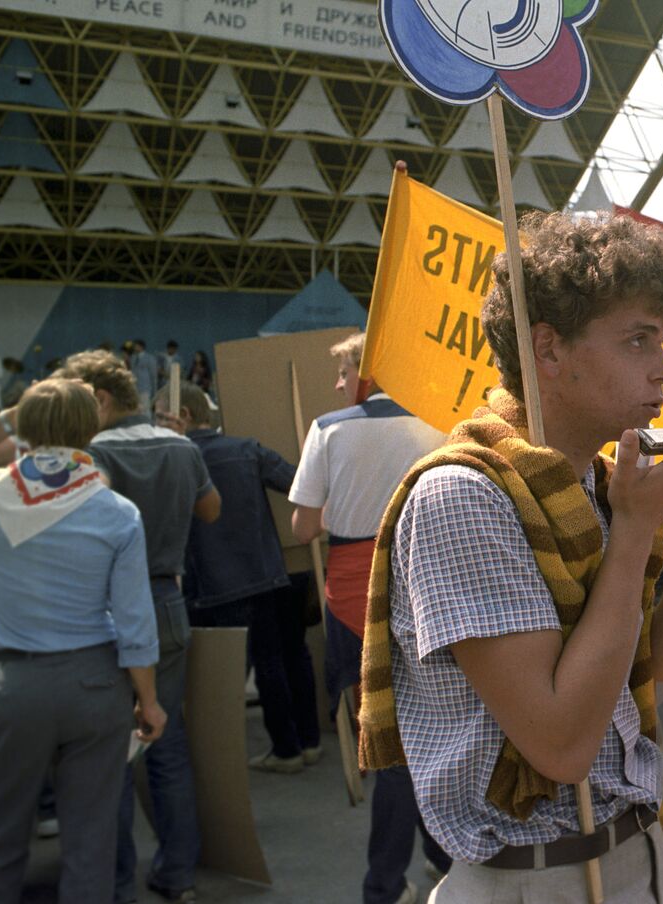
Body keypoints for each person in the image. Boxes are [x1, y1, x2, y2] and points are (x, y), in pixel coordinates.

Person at [358, 210, 663, 902]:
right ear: (547, 348)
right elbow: (564, 746)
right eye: (639, 340)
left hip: (634, 858)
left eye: (661, 341)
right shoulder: (465, 496)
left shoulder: (594, 487)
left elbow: (642, 680)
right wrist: (635, 529)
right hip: (532, 881)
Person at [0, 380, 166, 903]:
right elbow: (135, 623)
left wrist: (15, 414)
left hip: (19, 685)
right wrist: (149, 701)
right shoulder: (116, 511)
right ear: (90, 428)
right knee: (90, 847)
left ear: (24, 426)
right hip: (96, 685)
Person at [288, 332, 449, 903]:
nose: (337, 384)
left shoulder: (329, 429)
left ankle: (384, 884)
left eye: (344, 371)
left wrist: (341, 502)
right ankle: (440, 855)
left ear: (370, 372)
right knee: (429, 729)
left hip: (356, 598)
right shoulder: (440, 425)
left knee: (391, 748)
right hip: (429, 591)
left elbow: (303, 529)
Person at [55, 350, 220, 904]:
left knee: (111, 752)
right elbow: (211, 510)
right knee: (167, 743)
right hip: (169, 602)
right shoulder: (181, 446)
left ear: (100, 400)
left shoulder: (93, 454)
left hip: (106, 607)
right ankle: (179, 874)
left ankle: (116, 882)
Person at [154, 381, 320, 773]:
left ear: (183, 415)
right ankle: (294, 746)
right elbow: (299, 482)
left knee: (215, 681)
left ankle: (220, 765)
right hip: (264, 576)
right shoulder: (246, 449)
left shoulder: (172, 459)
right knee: (272, 663)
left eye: (159, 416)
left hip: (208, 587)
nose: (155, 424)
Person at [128, 340, 158, 413]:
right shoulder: (133, 358)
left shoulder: (149, 358)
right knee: (136, 408)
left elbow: (153, 374)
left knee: (145, 408)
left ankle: (147, 420)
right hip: (135, 387)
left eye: (136, 346)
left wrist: (154, 389)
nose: (135, 348)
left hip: (145, 387)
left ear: (141, 347)